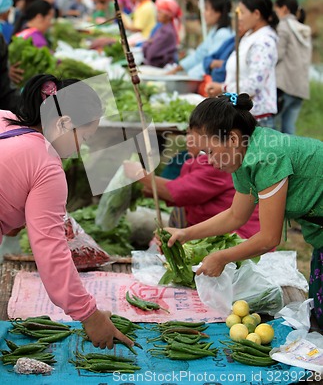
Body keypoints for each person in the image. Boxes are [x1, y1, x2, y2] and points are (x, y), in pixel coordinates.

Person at [159, 94, 323, 329]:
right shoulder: (244, 156)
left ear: (233, 138)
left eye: (211, 152)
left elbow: (268, 238)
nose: (210, 161)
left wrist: (221, 257)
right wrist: (186, 234)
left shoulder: (266, 158)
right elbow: (236, 215)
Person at [0, 73, 133, 349]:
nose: (80, 148)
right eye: (83, 137)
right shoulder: (47, 165)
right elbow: (50, 250)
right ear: (63, 123)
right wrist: (89, 315)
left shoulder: (3, 119)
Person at [124, 130, 260, 239]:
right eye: (187, 133)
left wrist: (139, 174)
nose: (188, 139)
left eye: (193, 134)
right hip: (220, 231)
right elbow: (186, 188)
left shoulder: (218, 162)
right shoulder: (204, 159)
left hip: (239, 238)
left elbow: (179, 192)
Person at [206, 0, 279, 128]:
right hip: (244, 115)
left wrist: (222, 88)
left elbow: (254, 85)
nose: (239, 17)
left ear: (256, 14)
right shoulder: (250, 36)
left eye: (242, 13)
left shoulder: (264, 42)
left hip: (257, 119)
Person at [168, 0, 233, 79]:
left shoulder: (223, 34)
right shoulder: (215, 31)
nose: (204, 13)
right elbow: (199, 55)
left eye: (207, 9)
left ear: (217, 13)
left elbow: (207, 62)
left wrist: (189, 76)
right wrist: (177, 69)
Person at [274, 0, 312, 135]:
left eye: (276, 9)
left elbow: (277, 55)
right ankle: (294, 157)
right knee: (289, 129)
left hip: (285, 86)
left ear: (284, 9)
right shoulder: (304, 29)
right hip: (300, 87)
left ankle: (276, 157)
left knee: (274, 130)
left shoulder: (283, 26)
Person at [142, 0, 182, 68]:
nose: (158, 15)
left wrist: (148, 43)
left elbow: (150, 53)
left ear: (168, 15)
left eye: (160, 12)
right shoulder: (162, 27)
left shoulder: (167, 32)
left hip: (159, 67)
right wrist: (149, 43)